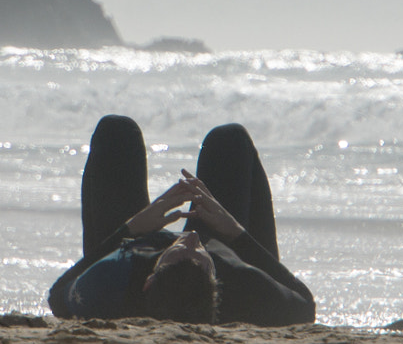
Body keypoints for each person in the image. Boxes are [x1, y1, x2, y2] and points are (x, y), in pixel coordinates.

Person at [48, 115, 315, 326]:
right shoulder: (242, 286)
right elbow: (306, 306)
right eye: (199, 254)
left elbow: (58, 295)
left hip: (135, 242)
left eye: (176, 252)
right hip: (224, 245)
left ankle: (170, 251)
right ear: (216, 280)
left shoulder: (111, 280)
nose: (191, 239)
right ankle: (202, 253)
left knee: (116, 130)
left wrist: (132, 228)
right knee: (229, 138)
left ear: (149, 279)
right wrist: (235, 232)